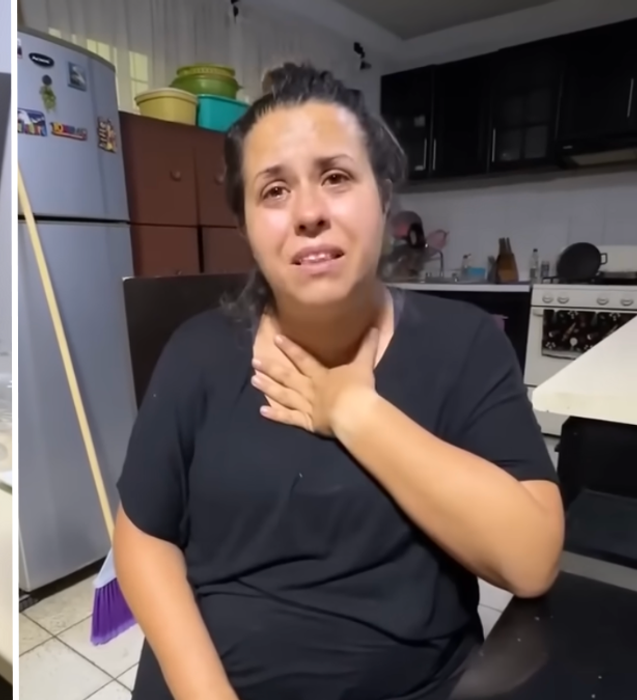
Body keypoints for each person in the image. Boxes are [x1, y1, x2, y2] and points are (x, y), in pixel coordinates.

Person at [113, 63, 564, 700]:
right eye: (273, 191)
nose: (308, 213)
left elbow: (531, 559)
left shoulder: (464, 345)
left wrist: (354, 411)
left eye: (335, 176)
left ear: (383, 197)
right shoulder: (197, 354)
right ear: (243, 226)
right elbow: (143, 538)